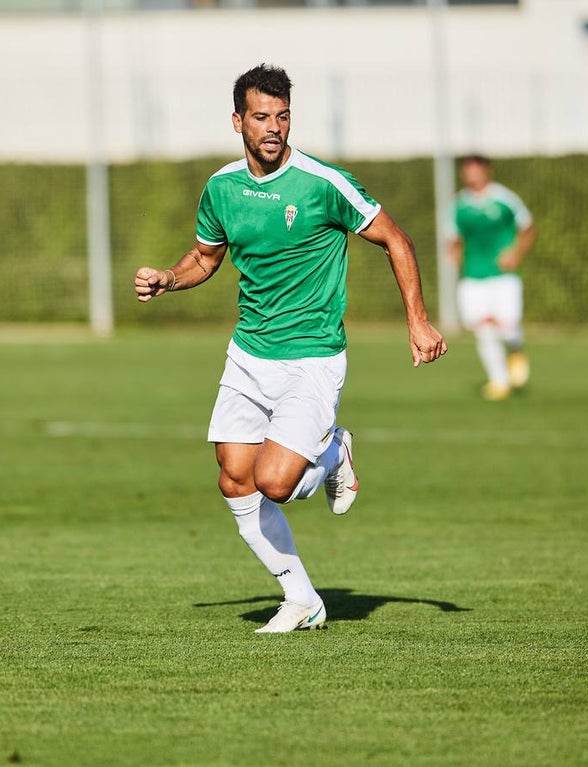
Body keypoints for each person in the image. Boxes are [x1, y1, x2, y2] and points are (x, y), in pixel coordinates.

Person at [134, 64, 447, 634]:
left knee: (276, 483)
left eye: (282, 117)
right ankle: (302, 599)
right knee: (234, 478)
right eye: (261, 117)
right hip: (249, 354)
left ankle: (333, 452)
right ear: (238, 122)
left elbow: (395, 239)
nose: (273, 127)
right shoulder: (221, 188)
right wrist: (168, 279)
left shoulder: (322, 182)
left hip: (311, 358)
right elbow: (205, 258)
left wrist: (418, 322)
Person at [448, 154, 536, 401]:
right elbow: (452, 237)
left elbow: (528, 229)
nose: (472, 174)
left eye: (476, 169)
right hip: (474, 276)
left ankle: (515, 348)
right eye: (468, 170)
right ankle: (499, 382)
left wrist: (515, 253)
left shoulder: (504, 199)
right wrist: (453, 252)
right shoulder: (458, 205)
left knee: (507, 326)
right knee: (483, 327)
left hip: (503, 276)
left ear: (488, 171)